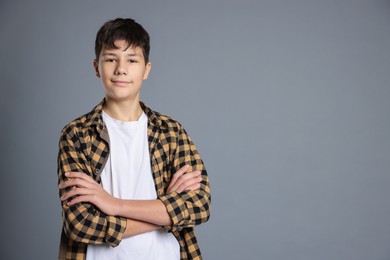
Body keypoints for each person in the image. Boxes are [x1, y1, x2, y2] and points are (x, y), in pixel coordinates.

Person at [57, 18, 211, 260]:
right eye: (111, 59)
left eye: (131, 59)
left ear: (146, 69)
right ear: (96, 67)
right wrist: (166, 211)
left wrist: (113, 204)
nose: (121, 69)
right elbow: (80, 224)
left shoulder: (171, 132)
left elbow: (199, 205)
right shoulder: (76, 135)